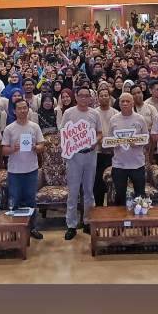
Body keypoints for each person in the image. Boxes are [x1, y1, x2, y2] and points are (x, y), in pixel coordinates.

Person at [59, 86, 102, 240]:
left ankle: (88, 222)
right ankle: (71, 225)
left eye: (87, 96)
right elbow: (63, 133)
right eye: (81, 96)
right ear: (76, 97)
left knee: (89, 191)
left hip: (90, 155)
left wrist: (95, 141)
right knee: (73, 191)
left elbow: (100, 133)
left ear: (90, 98)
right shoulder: (68, 113)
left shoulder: (94, 113)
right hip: (74, 156)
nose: (84, 98)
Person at [1, 99, 45, 239]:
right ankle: (15, 230)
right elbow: (3, 151)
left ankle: (32, 228)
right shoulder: (9, 128)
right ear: (14, 111)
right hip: (14, 171)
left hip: (31, 170)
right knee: (15, 201)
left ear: (28, 109)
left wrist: (35, 148)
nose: (22, 110)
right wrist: (12, 149)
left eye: (25, 108)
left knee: (31, 201)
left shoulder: (34, 127)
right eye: (19, 108)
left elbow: (41, 146)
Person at [108, 93, 150, 207]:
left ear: (132, 103)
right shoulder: (113, 119)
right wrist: (115, 144)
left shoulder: (140, 119)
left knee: (140, 195)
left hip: (137, 164)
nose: (125, 103)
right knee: (119, 196)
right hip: (119, 165)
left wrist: (136, 143)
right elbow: (109, 140)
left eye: (128, 101)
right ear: (119, 103)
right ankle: (120, 222)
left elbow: (146, 139)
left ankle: (140, 222)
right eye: (122, 101)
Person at [92, 87, 115, 207]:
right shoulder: (93, 113)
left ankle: (112, 211)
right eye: (101, 95)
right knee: (98, 183)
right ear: (97, 98)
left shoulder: (115, 113)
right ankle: (99, 208)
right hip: (97, 152)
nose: (104, 97)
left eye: (106, 95)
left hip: (112, 153)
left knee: (111, 183)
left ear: (110, 97)